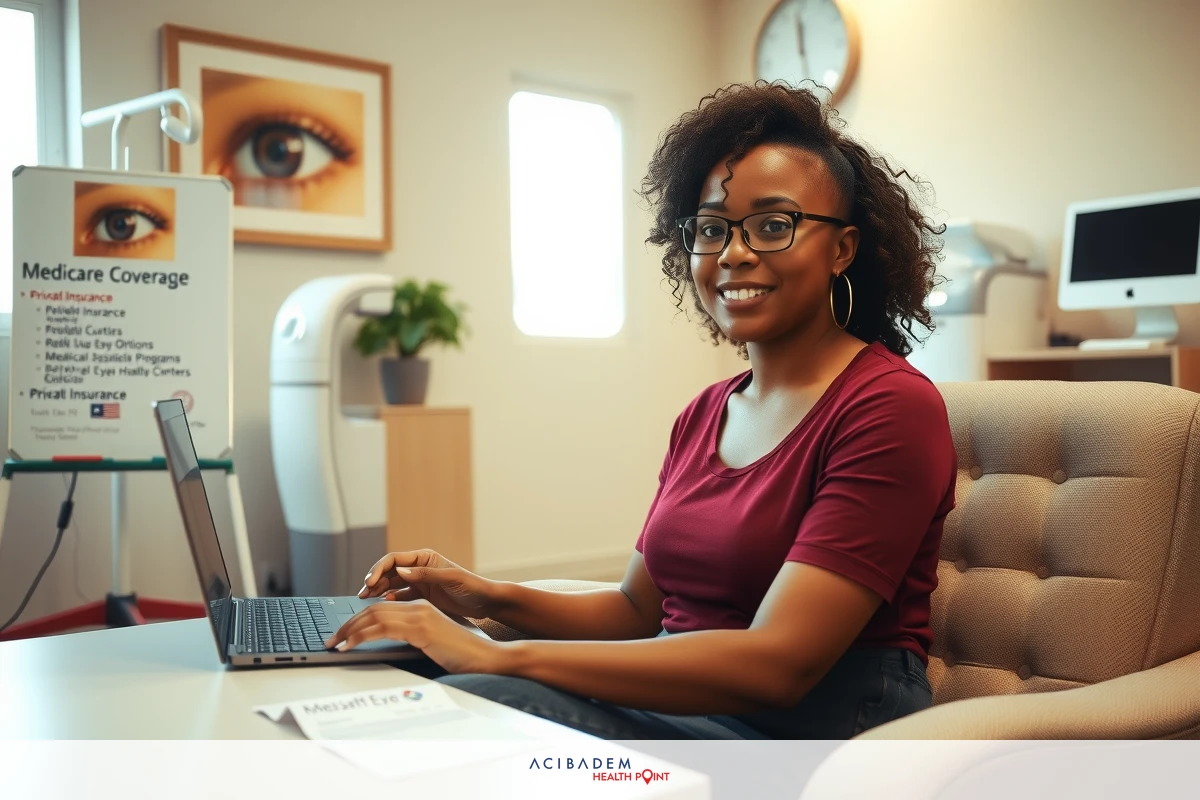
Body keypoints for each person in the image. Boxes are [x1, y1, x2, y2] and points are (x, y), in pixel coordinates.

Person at [325, 81, 957, 740]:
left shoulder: (888, 408)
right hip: (687, 706)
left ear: (842, 249)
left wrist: (497, 654)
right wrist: (478, 596)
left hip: (812, 738)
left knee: (473, 699)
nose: (734, 253)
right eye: (713, 229)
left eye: (774, 225)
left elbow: (780, 664)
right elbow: (634, 612)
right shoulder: (704, 414)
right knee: (413, 683)